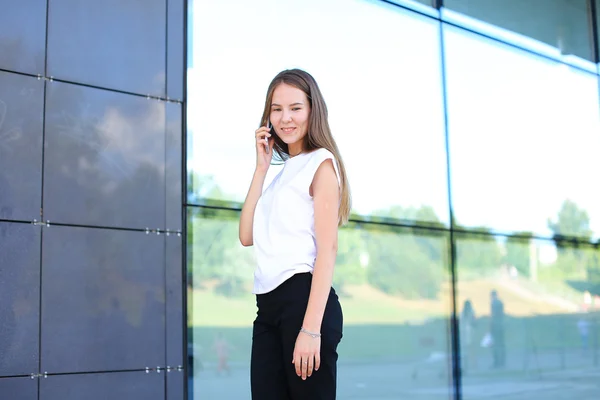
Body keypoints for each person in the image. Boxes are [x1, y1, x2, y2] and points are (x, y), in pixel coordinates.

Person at [239, 68, 351, 399]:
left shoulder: (321, 164)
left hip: (304, 304)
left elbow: (328, 249)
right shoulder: (280, 174)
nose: (285, 117)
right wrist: (261, 168)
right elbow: (246, 235)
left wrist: (310, 329)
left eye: (295, 108)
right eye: (277, 109)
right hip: (268, 308)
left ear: (313, 110)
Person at [460, 299, 477, 372]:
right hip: (469, 333)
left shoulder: (463, 313)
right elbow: (474, 322)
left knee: (466, 350)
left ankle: (467, 364)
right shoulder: (471, 312)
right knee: (471, 349)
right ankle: (472, 364)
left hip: (465, 333)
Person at [490, 290, 505, 368]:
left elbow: (494, 315)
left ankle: (497, 362)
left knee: (496, 345)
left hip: (496, 327)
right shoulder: (500, 303)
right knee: (501, 344)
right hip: (500, 326)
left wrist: (491, 326)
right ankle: (502, 361)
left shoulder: (494, 303)